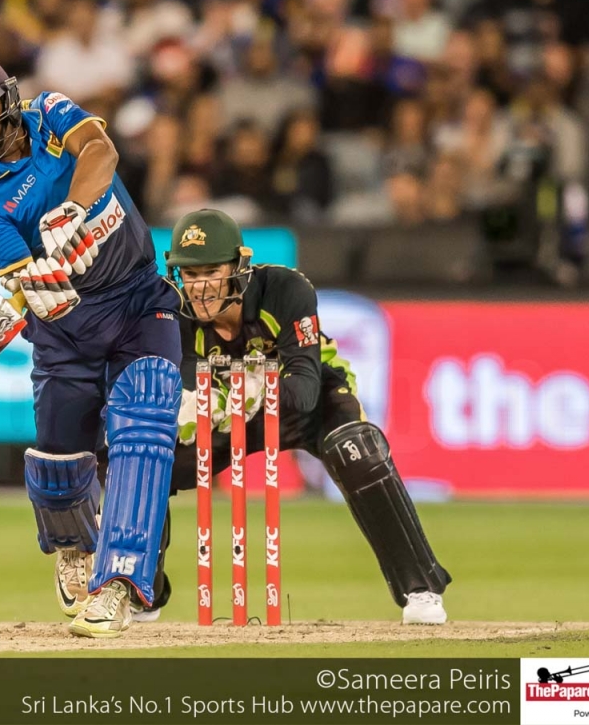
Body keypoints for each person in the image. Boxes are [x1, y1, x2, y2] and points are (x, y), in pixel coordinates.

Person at [0, 52, 181, 638]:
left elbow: (100, 151)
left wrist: (73, 211)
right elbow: (24, 278)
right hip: (67, 328)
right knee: (60, 464)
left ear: (7, 98)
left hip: (138, 300)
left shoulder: (48, 113)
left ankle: (118, 585)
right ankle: (74, 549)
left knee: (143, 431)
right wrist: (42, 286)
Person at [161, 208, 451, 625]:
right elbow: (187, 383)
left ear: (238, 266)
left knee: (357, 449)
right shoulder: (172, 310)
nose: (200, 287)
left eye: (211, 271)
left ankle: (420, 588)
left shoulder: (284, 289)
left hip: (309, 403)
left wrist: (255, 390)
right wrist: (193, 405)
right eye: (190, 274)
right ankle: (141, 592)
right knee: (148, 458)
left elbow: (304, 389)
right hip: (230, 411)